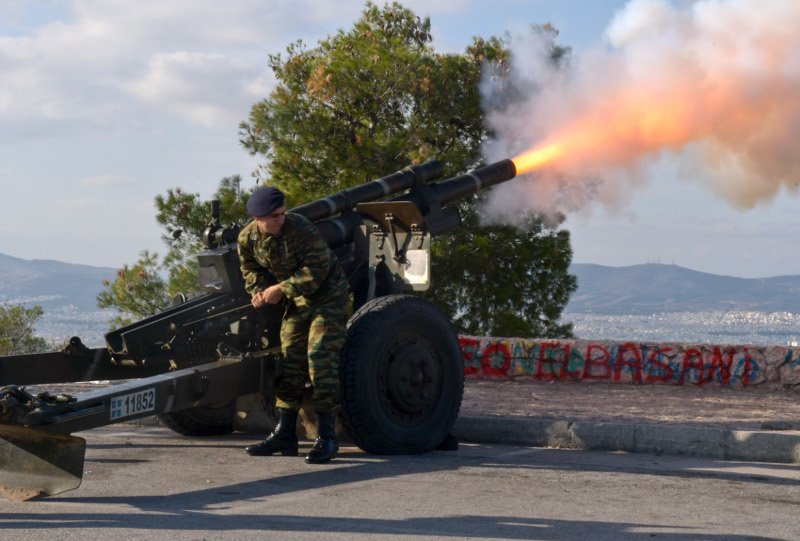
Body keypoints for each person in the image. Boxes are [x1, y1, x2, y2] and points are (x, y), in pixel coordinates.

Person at [237, 186, 351, 464]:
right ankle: (285, 432)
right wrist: (259, 290)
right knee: (288, 359)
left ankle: (327, 436)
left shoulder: (300, 228)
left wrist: (280, 289)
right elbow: (250, 269)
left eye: (282, 212)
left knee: (319, 355)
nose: (281, 219)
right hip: (297, 302)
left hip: (328, 297)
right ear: (258, 218)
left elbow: (317, 271)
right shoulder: (247, 238)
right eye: (274, 216)